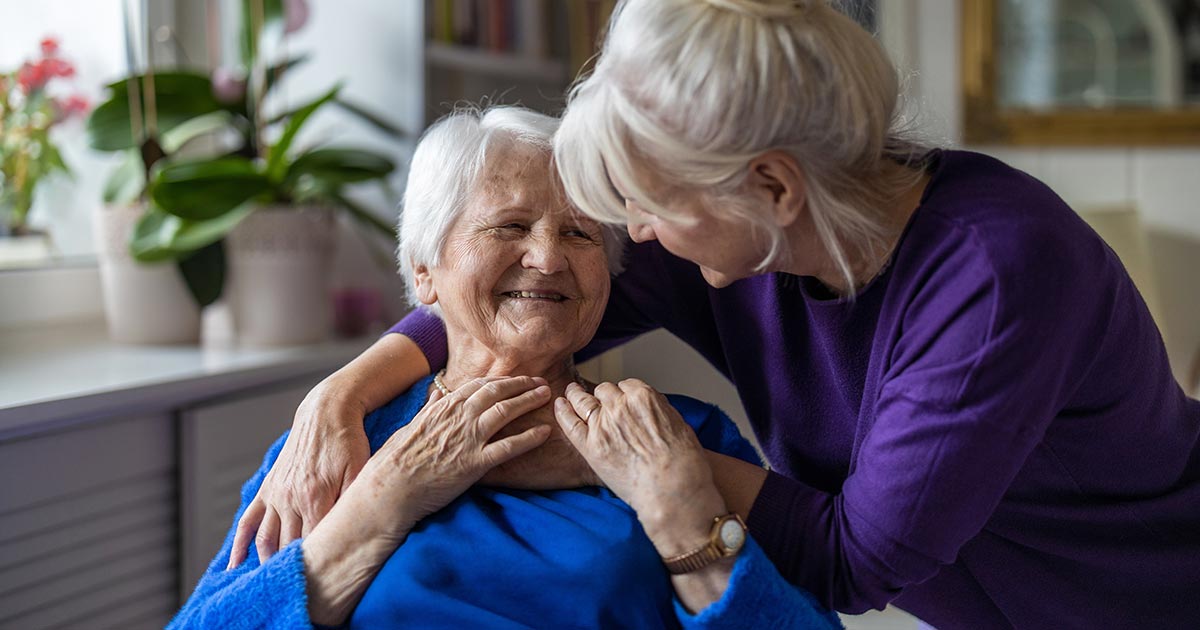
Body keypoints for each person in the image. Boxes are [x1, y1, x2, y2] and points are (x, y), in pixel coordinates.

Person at [235, 1, 1200, 627]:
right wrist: (342, 395)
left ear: (772, 186)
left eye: (640, 208)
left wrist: (658, 481)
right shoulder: (733, 239)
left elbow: (851, 559)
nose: (631, 241)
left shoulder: (993, 278)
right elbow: (519, 300)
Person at [173, 106, 840, 629]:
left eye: (579, 234)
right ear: (424, 273)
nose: (549, 258)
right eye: (510, 226)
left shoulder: (672, 436)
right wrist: (382, 503)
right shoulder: (340, 444)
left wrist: (684, 518)